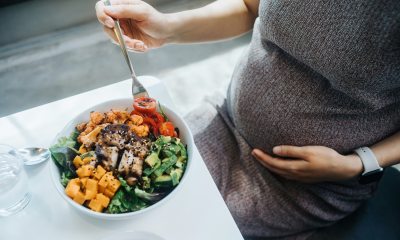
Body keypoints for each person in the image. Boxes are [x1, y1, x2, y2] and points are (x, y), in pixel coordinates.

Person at [95, 0, 400, 238]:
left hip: (309, 185)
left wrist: (359, 163)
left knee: (171, 225)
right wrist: (167, 27)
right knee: (119, 202)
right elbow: (248, 7)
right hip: (225, 118)